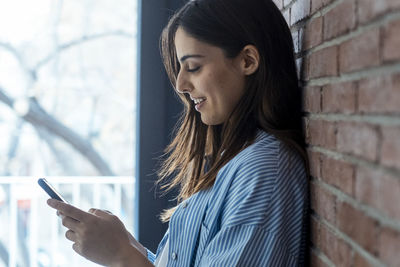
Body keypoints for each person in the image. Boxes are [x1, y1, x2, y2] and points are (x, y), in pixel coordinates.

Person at [47, 0, 309, 266]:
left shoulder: (264, 170)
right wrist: (130, 247)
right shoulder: (234, 159)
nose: (181, 84)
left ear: (247, 60)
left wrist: (120, 256)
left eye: (193, 67)